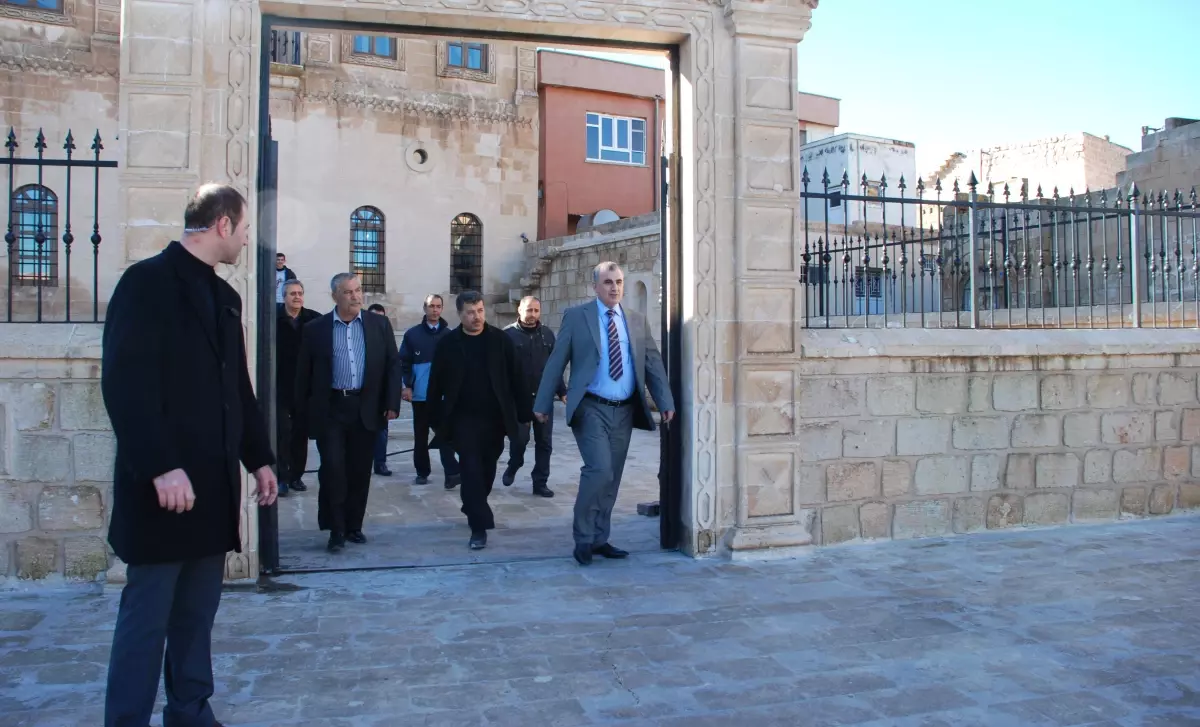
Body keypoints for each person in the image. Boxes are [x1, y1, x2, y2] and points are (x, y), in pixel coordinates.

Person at [101, 183, 278, 727]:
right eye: (245, 229)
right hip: (161, 489)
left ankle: (189, 710)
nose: (248, 241)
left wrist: (259, 457)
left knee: (197, 615)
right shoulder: (145, 283)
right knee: (147, 616)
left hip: (212, 486)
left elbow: (237, 387)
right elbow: (124, 384)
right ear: (222, 224)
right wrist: (159, 465)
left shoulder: (227, 298)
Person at [534, 262, 674, 566]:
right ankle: (582, 538)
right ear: (595, 286)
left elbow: (652, 363)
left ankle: (600, 538)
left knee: (612, 477)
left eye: (619, 282)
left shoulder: (636, 321)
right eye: (608, 282)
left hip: (623, 411)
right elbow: (556, 362)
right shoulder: (577, 317)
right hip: (590, 407)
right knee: (598, 469)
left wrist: (665, 401)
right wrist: (542, 404)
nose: (615, 288)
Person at [294, 273, 401, 553]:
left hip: (365, 408)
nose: (356, 296)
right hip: (331, 409)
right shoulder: (316, 329)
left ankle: (354, 526)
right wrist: (302, 414)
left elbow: (392, 364)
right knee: (333, 469)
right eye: (348, 292)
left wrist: (391, 403)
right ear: (335, 297)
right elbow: (303, 374)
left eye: (358, 290)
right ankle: (335, 528)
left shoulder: (378, 325)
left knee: (359, 470)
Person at [426, 291, 531, 550]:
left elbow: (518, 378)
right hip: (463, 420)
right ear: (460, 314)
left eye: (480, 310)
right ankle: (479, 526)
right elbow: (435, 385)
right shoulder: (448, 344)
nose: (477, 317)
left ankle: (472, 503)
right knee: (471, 470)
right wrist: (435, 420)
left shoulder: (500, 341)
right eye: (471, 312)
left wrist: (525, 414)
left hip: (495, 420)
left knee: (486, 471)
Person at [502, 295, 565, 498]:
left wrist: (562, 391)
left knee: (544, 442)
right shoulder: (507, 336)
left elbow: (554, 367)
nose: (532, 315)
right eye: (529, 310)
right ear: (519, 310)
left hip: (543, 399)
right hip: (518, 400)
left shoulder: (547, 335)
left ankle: (540, 482)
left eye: (536, 311)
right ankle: (514, 464)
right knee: (519, 440)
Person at [399, 294, 460, 487]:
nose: (435, 310)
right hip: (421, 395)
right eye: (431, 306)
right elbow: (404, 362)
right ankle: (422, 471)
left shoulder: (450, 335)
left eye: (438, 306)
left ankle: (451, 473)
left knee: (445, 434)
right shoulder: (412, 335)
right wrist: (407, 385)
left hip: (443, 397)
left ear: (442, 309)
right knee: (421, 435)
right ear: (424, 308)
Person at [276, 279, 321, 496]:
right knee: (282, 433)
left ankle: (296, 476)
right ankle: (281, 477)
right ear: (284, 296)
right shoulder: (272, 319)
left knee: (300, 435)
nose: (297, 297)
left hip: (305, 390)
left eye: (300, 293)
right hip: (280, 388)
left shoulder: (313, 320)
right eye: (292, 293)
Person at [366, 303, 394, 477]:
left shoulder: (387, 337)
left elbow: (393, 366)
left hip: (381, 392)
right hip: (362, 392)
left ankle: (380, 462)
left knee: (381, 431)